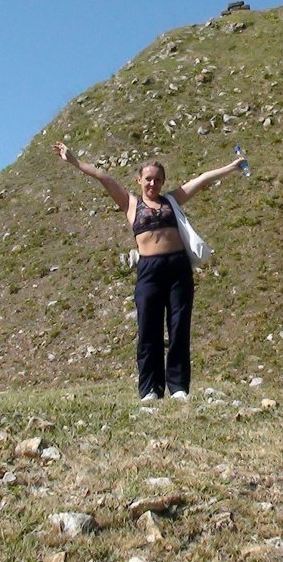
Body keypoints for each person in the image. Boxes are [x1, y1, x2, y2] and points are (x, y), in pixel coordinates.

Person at [53, 142, 245, 402]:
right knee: (148, 330)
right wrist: (75, 162)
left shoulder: (172, 200)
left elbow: (201, 180)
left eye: (157, 180)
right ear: (139, 180)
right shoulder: (131, 204)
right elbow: (103, 177)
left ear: (163, 181)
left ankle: (178, 388)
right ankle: (150, 390)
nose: (152, 184)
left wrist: (232, 167)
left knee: (178, 328)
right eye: (148, 179)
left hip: (178, 268)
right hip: (149, 271)